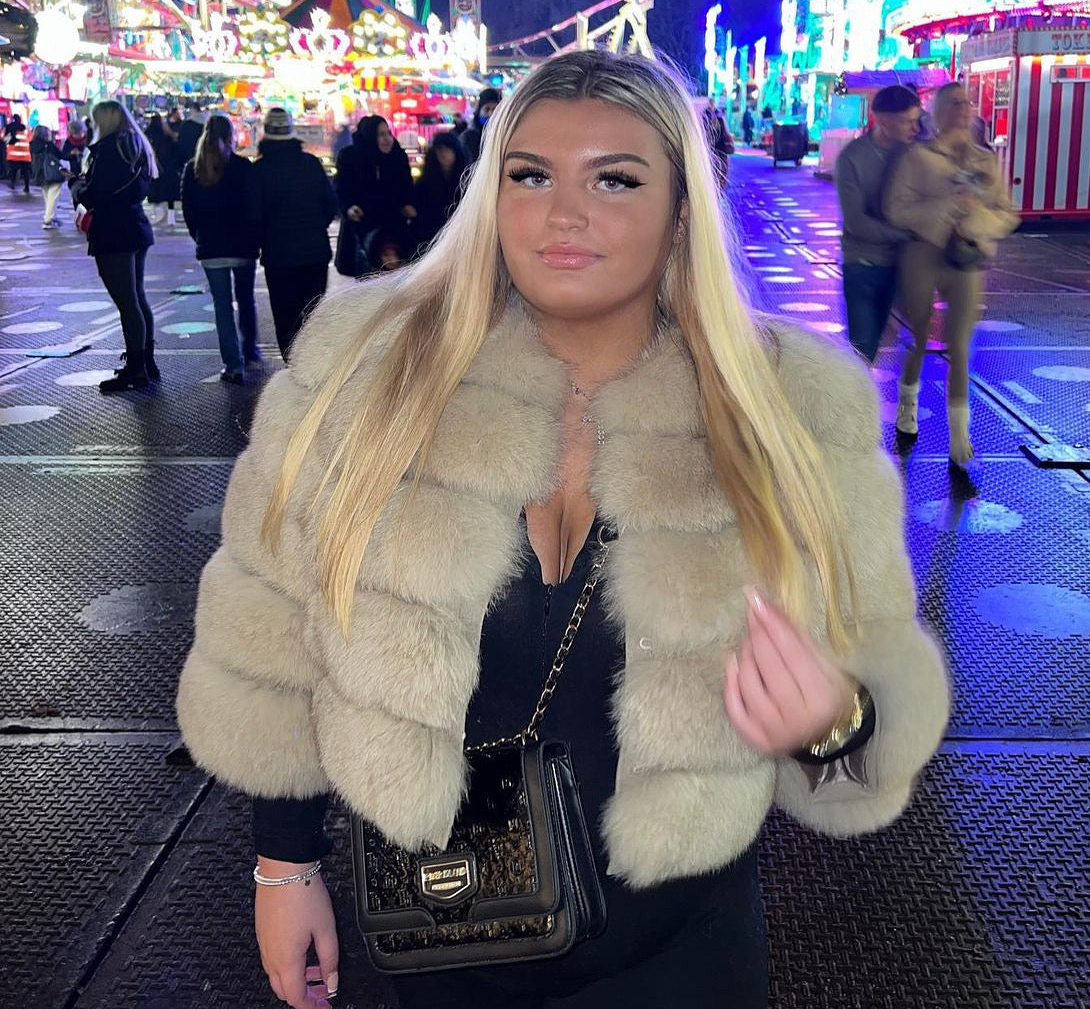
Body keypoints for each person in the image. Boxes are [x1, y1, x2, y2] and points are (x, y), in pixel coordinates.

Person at [176, 50, 949, 1009]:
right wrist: (284, 866)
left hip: (681, 947)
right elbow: (270, 634)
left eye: (614, 180)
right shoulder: (364, 367)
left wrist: (830, 721)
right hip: (442, 927)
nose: (564, 214)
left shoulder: (793, 406)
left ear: (682, 212)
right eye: (531, 176)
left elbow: (873, 684)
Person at [885, 82, 1019, 467]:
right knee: (920, 337)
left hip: (966, 258)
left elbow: (1007, 213)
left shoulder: (985, 160)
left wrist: (978, 219)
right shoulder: (918, 156)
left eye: (967, 103)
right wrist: (944, 208)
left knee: (960, 345)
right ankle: (908, 402)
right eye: (954, 103)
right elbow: (896, 208)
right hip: (923, 254)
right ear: (938, 112)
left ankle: (960, 435)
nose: (962, 109)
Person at [71, 100, 160, 393]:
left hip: (113, 232)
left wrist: (76, 186)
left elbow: (96, 193)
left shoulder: (111, 149)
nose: (94, 126)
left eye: (96, 120)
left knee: (127, 302)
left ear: (106, 120)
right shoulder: (135, 145)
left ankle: (136, 369)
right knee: (137, 298)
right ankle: (145, 361)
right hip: (135, 225)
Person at [835, 85, 921, 363]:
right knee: (863, 347)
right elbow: (856, 222)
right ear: (882, 120)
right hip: (863, 264)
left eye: (917, 120)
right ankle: (855, 391)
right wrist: (905, 234)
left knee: (889, 340)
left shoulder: (914, 155)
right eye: (907, 121)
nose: (915, 128)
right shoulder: (852, 158)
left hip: (901, 266)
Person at [181, 115, 261, 384]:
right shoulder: (243, 167)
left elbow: (189, 212)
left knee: (222, 305)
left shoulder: (194, 169)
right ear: (231, 137)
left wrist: (200, 237)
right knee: (246, 299)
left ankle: (233, 364)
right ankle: (250, 349)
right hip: (243, 247)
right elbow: (253, 207)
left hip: (211, 248)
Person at [253, 108, 337, 362]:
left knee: (285, 317)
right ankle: (313, 364)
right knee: (313, 314)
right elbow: (330, 204)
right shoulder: (310, 164)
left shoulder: (259, 170)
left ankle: (293, 366)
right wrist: (315, 227)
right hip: (314, 251)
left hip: (278, 255)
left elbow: (253, 214)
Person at [334, 115, 416, 273]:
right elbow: (342, 188)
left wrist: (407, 204)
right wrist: (349, 208)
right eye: (381, 134)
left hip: (393, 229)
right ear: (370, 136)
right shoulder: (350, 157)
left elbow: (406, 187)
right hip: (362, 226)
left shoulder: (397, 156)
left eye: (388, 133)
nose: (387, 139)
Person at [410, 130, 467, 257]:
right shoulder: (425, 182)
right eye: (439, 150)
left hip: (460, 237)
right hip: (432, 238)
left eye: (447, 149)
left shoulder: (467, 180)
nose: (443, 154)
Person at [145, 113, 182, 227]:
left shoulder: (148, 135)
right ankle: (171, 218)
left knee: (157, 195)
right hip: (168, 168)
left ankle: (159, 215)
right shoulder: (167, 135)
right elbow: (176, 150)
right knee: (169, 196)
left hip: (156, 169)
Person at [29, 124, 69, 229]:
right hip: (52, 173)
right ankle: (48, 220)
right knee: (53, 196)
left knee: (47, 196)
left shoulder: (32, 145)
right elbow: (61, 155)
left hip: (39, 174)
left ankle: (50, 216)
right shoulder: (49, 145)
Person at [459, 86, 501, 165]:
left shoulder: (505, 136)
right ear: (479, 111)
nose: (491, 114)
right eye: (487, 109)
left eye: (495, 110)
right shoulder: (468, 138)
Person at [701, 98, 733, 189]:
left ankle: (719, 183)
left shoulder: (717, 115)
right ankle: (717, 183)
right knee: (716, 165)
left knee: (720, 165)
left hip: (718, 144)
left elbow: (725, 130)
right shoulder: (707, 114)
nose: (712, 104)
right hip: (713, 144)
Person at [6, 115, 31, 193]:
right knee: (26, 172)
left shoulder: (9, 129)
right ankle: (27, 187)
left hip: (13, 155)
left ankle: (12, 184)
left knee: (13, 171)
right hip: (25, 156)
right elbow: (30, 138)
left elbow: (5, 140)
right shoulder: (25, 129)